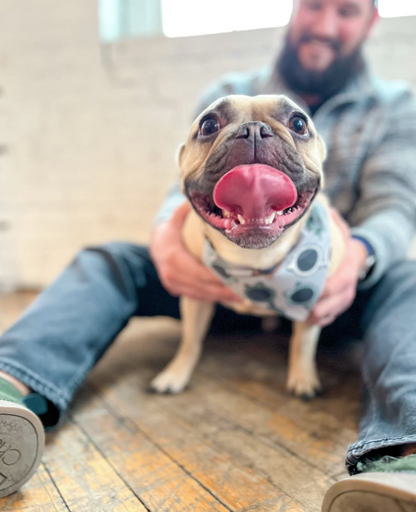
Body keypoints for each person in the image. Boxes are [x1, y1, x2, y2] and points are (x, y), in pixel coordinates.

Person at [0, 0, 415, 508]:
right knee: (110, 260)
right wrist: (165, 239)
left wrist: (358, 256)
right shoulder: (226, 89)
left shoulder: (395, 106)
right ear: (293, 10)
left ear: (371, 22)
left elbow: (396, 205)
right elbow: (182, 188)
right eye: (314, 5)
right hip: (214, 281)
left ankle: (404, 455)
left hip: (327, 293)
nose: (326, 23)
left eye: (346, 10)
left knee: (407, 280)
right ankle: (11, 386)